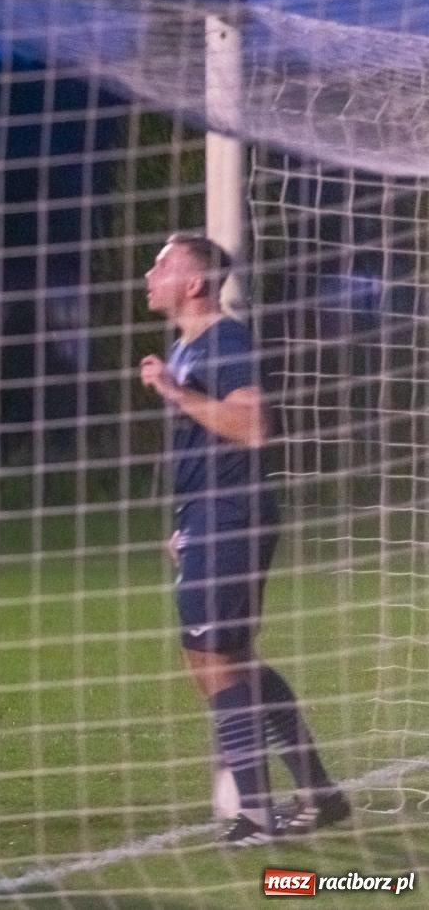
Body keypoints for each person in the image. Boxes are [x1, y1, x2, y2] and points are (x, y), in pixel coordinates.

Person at [138, 231, 348, 846]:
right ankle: (320, 793)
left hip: (232, 515)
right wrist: (184, 522)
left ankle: (256, 814)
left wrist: (175, 391)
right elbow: (203, 447)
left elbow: (253, 426)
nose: (149, 274)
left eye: (162, 265)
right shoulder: (186, 345)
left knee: (216, 658)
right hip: (208, 516)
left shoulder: (225, 340)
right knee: (223, 658)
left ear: (193, 283)